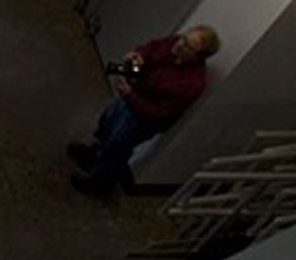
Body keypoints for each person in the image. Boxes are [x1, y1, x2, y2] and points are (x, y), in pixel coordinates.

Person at [69, 24, 218, 193]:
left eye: (188, 46)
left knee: (118, 146)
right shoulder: (175, 43)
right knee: (107, 124)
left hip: (144, 119)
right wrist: (138, 55)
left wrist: (129, 95)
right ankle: (93, 155)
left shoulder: (191, 84)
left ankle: (99, 183)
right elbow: (152, 47)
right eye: (183, 37)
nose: (179, 44)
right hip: (134, 93)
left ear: (199, 56)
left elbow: (159, 112)